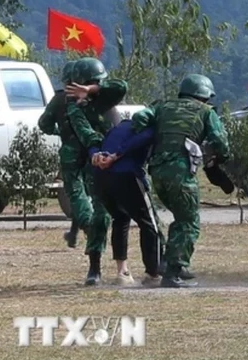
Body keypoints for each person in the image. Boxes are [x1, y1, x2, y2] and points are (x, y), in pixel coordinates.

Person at [131, 74, 230, 288]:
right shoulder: (206, 112)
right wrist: (219, 158)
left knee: (180, 217)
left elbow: (139, 118)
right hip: (181, 172)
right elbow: (221, 141)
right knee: (189, 222)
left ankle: (170, 264)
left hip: (157, 172)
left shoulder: (162, 107)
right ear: (204, 95)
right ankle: (172, 272)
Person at [53, 57, 127, 285]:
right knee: (93, 212)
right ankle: (95, 267)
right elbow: (86, 132)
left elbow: (120, 86)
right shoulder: (72, 107)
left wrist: (92, 90)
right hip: (95, 160)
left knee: (98, 212)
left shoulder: (105, 99)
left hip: (102, 161)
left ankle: (99, 263)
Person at [88, 117, 166, 286]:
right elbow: (141, 139)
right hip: (126, 175)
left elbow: (96, 144)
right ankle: (153, 274)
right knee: (149, 223)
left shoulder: (118, 127)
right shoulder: (150, 127)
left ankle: (122, 272)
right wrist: (117, 155)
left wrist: (95, 155)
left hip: (101, 177)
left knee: (120, 218)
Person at [37, 61, 81, 249]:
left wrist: (58, 131)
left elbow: (44, 124)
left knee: (77, 195)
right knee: (86, 195)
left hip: (71, 153)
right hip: (96, 152)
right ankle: (74, 232)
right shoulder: (96, 99)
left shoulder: (60, 100)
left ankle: (86, 229)